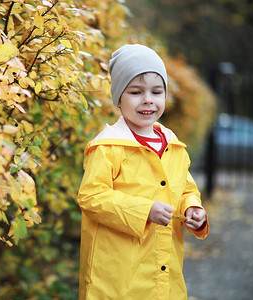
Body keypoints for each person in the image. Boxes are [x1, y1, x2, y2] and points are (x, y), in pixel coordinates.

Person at [77, 44, 209, 299]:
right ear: (119, 98)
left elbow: (185, 189)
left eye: (156, 92)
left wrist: (193, 209)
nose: (148, 99)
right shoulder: (108, 146)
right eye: (136, 92)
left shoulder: (173, 145)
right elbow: (91, 197)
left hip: (163, 276)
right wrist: (144, 210)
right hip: (116, 280)